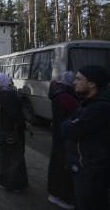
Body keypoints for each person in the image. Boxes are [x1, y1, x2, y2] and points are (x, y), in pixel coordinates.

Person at [62, 65, 110, 210]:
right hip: (85, 169)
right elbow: (69, 123)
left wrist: (70, 124)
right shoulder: (88, 102)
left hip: (91, 172)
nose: (74, 82)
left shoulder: (99, 107)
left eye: (78, 79)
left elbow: (68, 129)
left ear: (92, 83)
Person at [47, 71, 79, 209]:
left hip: (59, 135)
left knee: (57, 164)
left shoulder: (57, 91)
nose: (75, 83)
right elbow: (77, 112)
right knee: (63, 166)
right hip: (65, 136)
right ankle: (63, 196)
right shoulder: (66, 96)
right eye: (74, 80)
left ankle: (54, 193)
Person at [0, 73, 28, 192]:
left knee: (9, 159)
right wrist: (23, 125)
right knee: (13, 159)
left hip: (7, 132)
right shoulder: (7, 95)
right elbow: (16, 115)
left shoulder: (3, 95)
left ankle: (9, 183)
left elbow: (13, 115)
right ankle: (14, 185)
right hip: (10, 132)